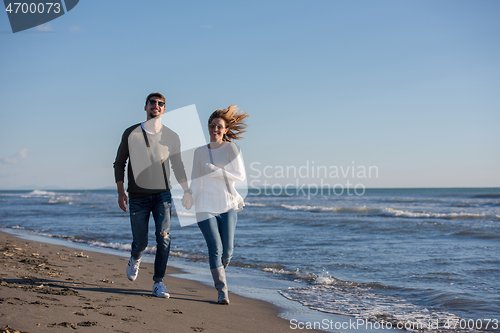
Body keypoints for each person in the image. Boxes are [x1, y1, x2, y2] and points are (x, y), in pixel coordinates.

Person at [113, 92, 193, 298]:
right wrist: (121, 192)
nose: (156, 106)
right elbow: (119, 163)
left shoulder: (172, 136)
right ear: (146, 107)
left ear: (164, 110)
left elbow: (178, 166)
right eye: (152, 103)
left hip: (162, 195)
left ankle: (158, 283)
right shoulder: (131, 133)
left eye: (160, 104)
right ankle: (135, 256)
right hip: (137, 195)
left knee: (164, 238)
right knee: (140, 242)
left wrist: (187, 190)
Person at [189, 104, 248, 304]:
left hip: (228, 204)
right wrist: (190, 196)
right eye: (212, 125)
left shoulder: (231, 148)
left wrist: (215, 170)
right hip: (204, 205)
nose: (215, 129)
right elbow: (195, 179)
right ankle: (222, 291)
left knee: (227, 252)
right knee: (215, 249)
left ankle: (219, 272)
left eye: (219, 126)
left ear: (225, 130)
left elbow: (240, 176)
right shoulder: (199, 152)